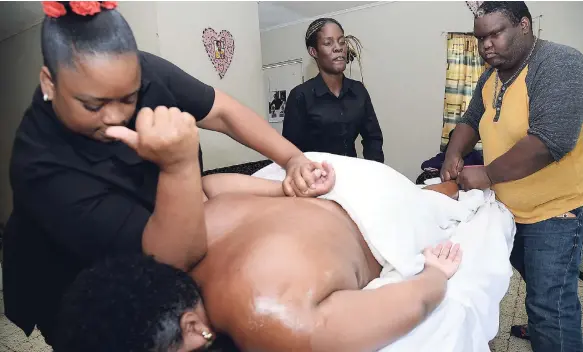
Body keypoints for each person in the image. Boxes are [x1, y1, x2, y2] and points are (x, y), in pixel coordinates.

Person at [2, 1, 324, 346]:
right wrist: (179, 165)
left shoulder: (144, 73)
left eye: (128, 98)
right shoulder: (38, 164)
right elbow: (170, 260)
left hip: (152, 232)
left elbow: (224, 113)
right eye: (93, 106)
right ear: (49, 82)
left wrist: (292, 158)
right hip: (71, 280)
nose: (115, 116)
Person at [53, 142, 462, 351]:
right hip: (326, 174)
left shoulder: (271, 320)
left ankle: (458, 182)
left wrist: (434, 275)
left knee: (439, 201)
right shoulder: (174, 241)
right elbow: (208, 186)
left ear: (194, 329)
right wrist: (283, 189)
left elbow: (416, 304)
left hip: (376, 204)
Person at [440, 2, 583, 351]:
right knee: (537, 287)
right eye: (480, 38)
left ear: (524, 25)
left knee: (552, 306)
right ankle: (542, 326)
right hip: (509, 212)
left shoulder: (559, 63)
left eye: (495, 34)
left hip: (554, 213)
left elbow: (550, 140)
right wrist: (453, 154)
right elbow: (471, 120)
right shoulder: (491, 77)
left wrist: (488, 173)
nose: (486, 44)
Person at [282, 18, 384, 163]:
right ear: (313, 51)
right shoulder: (300, 95)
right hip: (316, 179)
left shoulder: (358, 91)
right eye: (328, 43)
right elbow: (291, 150)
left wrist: (374, 171)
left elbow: (373, 137)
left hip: (353, 175)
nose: (338, 48)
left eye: (342, 42)